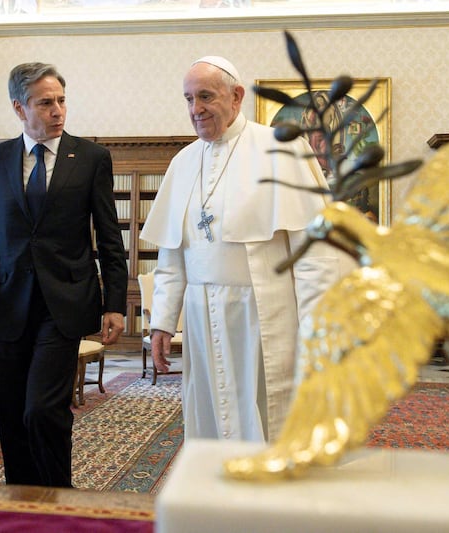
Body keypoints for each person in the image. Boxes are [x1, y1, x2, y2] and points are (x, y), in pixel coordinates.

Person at [141, 56, 344, 443]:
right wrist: (163, 321)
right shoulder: (183, 162)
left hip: (264, 312)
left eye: (205, 96)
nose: (195, 109)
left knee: (269, 413)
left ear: (236, 97)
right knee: (208, 412)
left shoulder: (282, 150)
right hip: (201, 314)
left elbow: (314, 254)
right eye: (188, 99)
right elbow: (171, 255)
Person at [0, 62, 128, 487]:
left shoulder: (90, 158)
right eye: (45, 103)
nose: (58, 111)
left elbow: (109, 238)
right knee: (11, 412)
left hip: (65, 303)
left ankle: (58, 499)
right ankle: (22, 501)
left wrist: (115, 305)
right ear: (19, 107)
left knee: (42, 409)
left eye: (61, 101)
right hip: (11, 303)